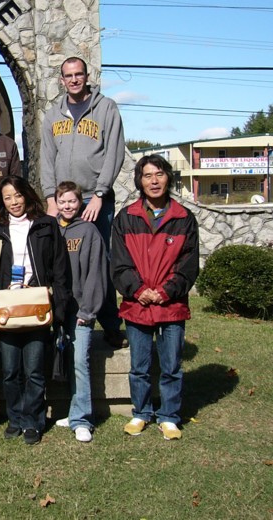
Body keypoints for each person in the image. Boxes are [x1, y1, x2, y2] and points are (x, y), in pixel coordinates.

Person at [40, 56, 127, 349]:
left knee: (100, 263)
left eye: (79, 74)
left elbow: (114, 152)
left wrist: (100, 194)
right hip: (62, 201)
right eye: (68, 75)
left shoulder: (106, 109)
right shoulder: (53, 114)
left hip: (93, 197)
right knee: (61, 263)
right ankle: (59, 322)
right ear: (61, 80)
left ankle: (112, 325)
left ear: (87, 77)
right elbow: (47, 158)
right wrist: (50, 197)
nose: (74, 79)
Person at [0, 176, 71, 445]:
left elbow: (60, 269)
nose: (14, 202)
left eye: (18, 195)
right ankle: (15, 418)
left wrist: (59, 304)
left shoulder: (46, 225)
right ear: (1, 201)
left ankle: (33, 421)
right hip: (7, 306)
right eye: (8, 197)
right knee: (10, 371)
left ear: (28, 195)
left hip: (37, 303)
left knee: (34, 371)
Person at [112, 155, 199, 440]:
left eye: (159, 174)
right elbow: (119, 263)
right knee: (140, 367)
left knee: (171, 366)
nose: (154, 181)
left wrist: (164, 292)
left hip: (170, 305)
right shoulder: (126, 218)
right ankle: (141, 412)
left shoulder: (184, 219)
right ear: (139, 181)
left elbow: (188, 265)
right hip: (137, 304)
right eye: (147, 175)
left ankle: (170, 416)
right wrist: (138, 290)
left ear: (168, 178)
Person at [53, 181, 108, 443]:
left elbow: (96, 273)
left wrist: (89, 309)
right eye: (62, 201)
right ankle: (72, 411)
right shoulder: (49, 228)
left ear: (80, 203)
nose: (67, 206)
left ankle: (82, 418)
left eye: (72, 201)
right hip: (54, 310)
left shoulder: (88, 232)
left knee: (79, 363)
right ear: (56, 202)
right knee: (59, 361)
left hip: (80, 310)